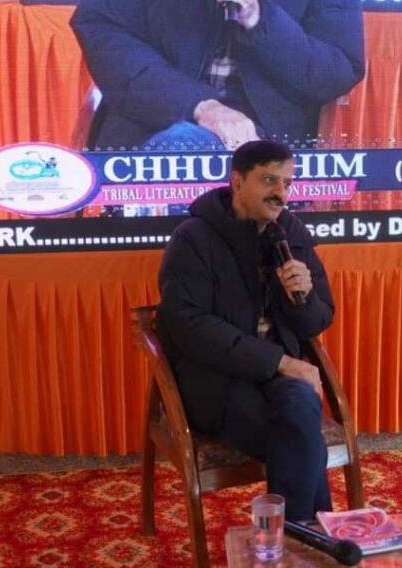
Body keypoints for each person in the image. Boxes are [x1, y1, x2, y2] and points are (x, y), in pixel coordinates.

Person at [156, 140, 335, 521]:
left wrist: (301, 297)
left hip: (277, 376)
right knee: (299, 437)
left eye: (287, 183)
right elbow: (190, 326)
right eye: (269, 180)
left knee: (301, 410)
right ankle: (310, 536)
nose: (281, 193)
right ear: (237, 181)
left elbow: (319, 320)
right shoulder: (193, 238)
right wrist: (279, 361)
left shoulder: (290, 233)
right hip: (214, 381)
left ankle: (294, 539)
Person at [70, 0, 365, 151]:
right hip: (155, 121)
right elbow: (100, 27)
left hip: (264, 137)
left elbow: (336, 70)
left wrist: (259, 19)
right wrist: (198, 104)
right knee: (181, 146)